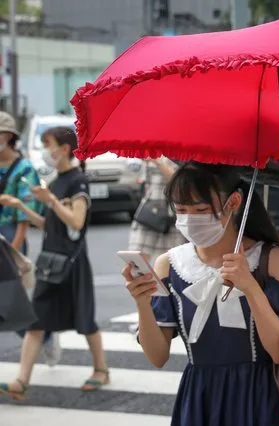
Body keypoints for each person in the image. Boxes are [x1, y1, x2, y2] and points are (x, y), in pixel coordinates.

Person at [122, 161, 279, 426]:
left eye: (200, 209)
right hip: (200, 396)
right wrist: (141, 303)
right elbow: (157, 356)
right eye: (181, 210)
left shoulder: (268, 259)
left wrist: (250, 287)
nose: (189, 219)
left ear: (233, 202)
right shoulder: (171, 265)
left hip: (260, 397)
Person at [0, 127, 108, 400]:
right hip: (50, 260)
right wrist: (21, 206)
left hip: (71, 262)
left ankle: (101, 369)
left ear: (64, 148)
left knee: (85, 319)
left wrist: (51, 201)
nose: (46, 151)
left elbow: (76, 222)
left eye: (48, 144)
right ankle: (21, 381)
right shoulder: (56, 180)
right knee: (37, 320)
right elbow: (48, 225)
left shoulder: (77, 180)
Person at [0, 111, 62, 367]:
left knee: (9, 301)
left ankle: (43, 335)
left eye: (2, 133)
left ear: (11, 136)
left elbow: (26, 211)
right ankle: (40, 335)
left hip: (9, 235)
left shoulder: (24, 167)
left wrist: (14, 246)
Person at [128, 157, 185, 264]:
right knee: (136, 260)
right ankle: (140, 279)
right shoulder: (149, 155)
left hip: (170, 214)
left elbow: (177, 182)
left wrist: (158, 161)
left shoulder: (177, 155)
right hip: (149, 211)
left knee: (171, 263)